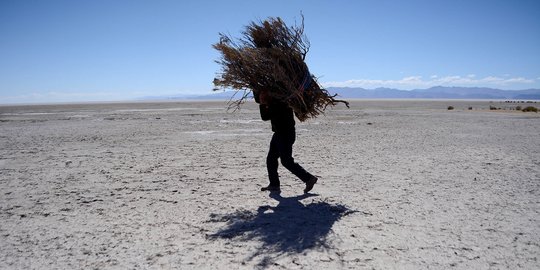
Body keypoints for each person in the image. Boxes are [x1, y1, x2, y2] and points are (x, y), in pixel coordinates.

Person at [256, 90, 318, 193]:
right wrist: (263, 101)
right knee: (271, 159)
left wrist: (263, 103)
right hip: (279, 134)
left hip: (285, 134)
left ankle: (309, 178)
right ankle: (274, 184)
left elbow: (265, 117)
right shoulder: (278, 100)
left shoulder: (279, 102)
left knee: (286, 161)